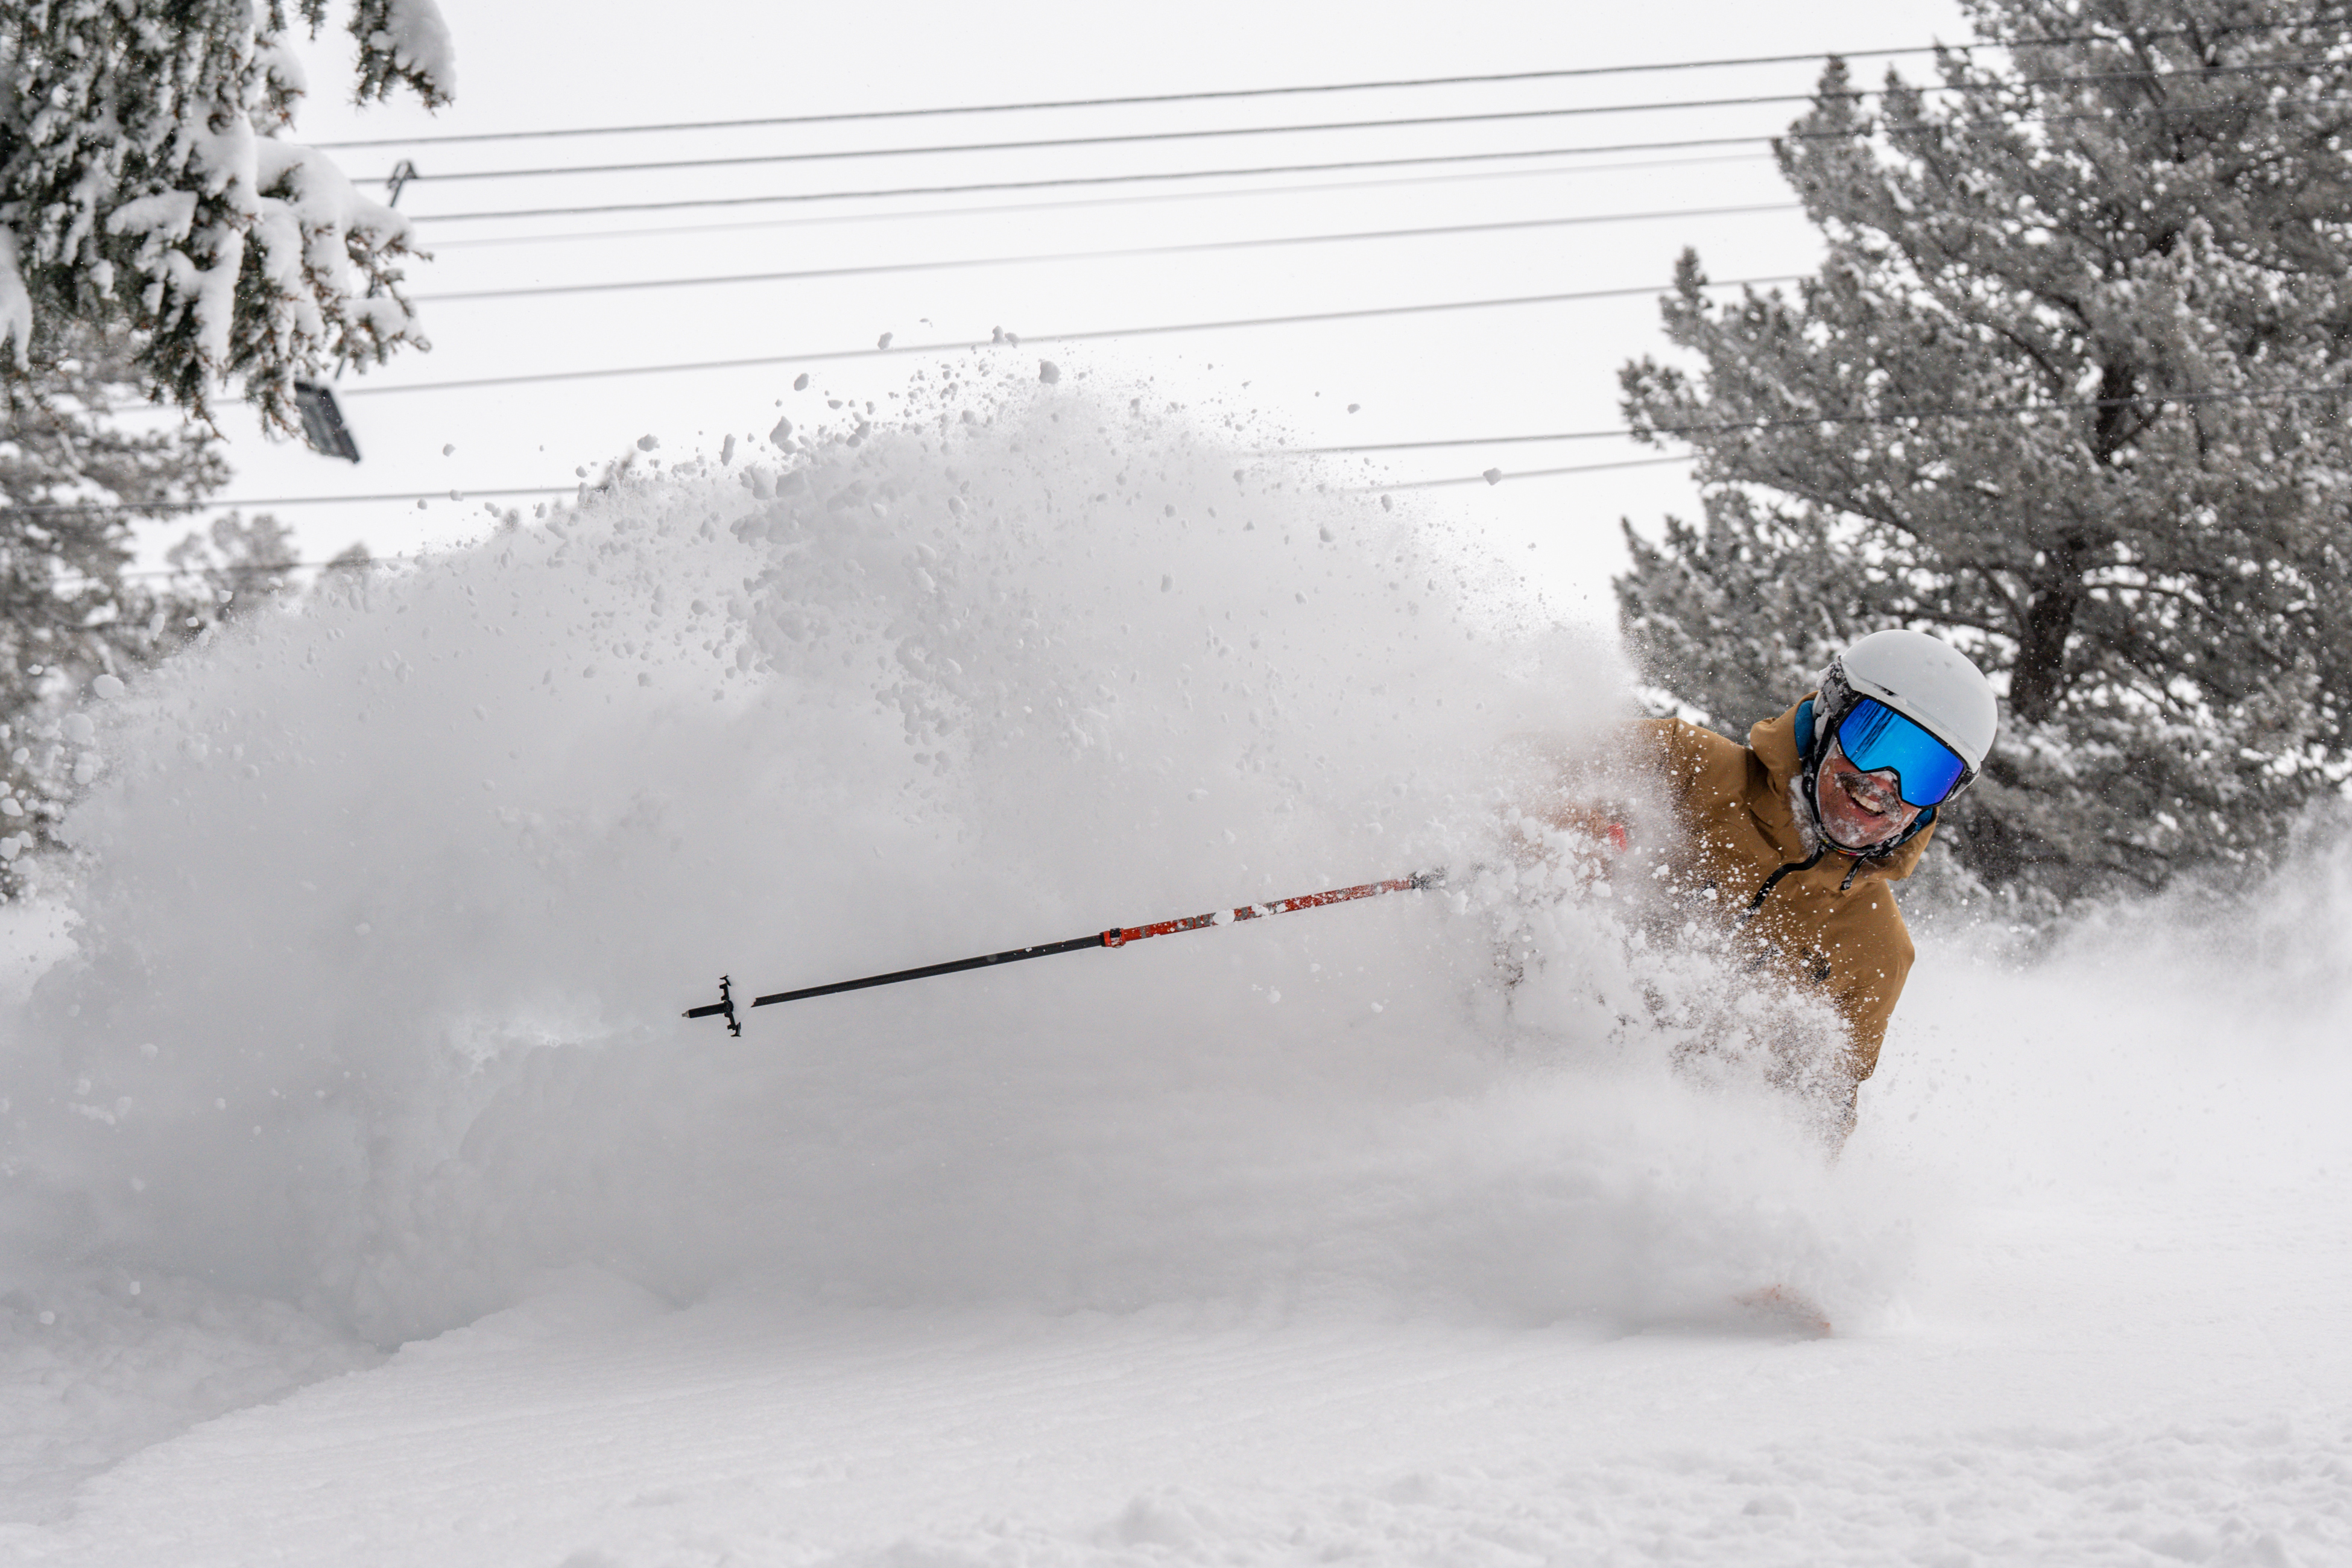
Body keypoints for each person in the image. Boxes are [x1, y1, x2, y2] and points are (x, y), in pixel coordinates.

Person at [1544, 629, 2000, 1142]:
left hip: (1645, 1153)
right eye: (1877, 740)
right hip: (1525, 1056)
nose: (1885, 782)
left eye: (1927, 772)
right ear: (1830, 716)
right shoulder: (1683, 766)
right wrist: (1553, 826)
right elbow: (1506, 769)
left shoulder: (1875, 948)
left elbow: (1819, 1124)